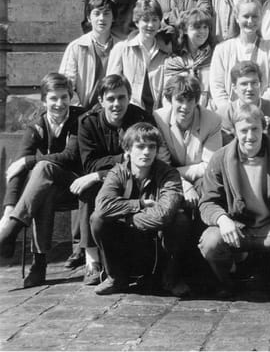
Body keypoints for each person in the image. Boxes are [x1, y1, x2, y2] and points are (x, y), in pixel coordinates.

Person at [199, 104, 270, 299]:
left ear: (264, 128)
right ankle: (229, 278)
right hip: (237, 227)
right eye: (244, 130)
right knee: (210, 243)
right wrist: (222, 219)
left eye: (255, 129)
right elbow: (207, 202)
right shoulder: (220, 158)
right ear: (234, 131)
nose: (250, 136)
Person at [0, 73, 84, 287]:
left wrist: (29, 161)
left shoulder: (80, 120)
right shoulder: (36, 126)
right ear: (44, 100)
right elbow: (15, 171)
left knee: (42, 166)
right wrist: (8, 209)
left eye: (64, 97)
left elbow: (70, 156)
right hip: (52, 189)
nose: (59, 103)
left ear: (71, 97)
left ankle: (12, 231)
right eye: (53, 98)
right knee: (43, 192)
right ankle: (39, 264)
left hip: (78, 184)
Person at [90, 123, 190, 297]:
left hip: (157, 242)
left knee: (179, 220)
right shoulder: (118, 173)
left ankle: (170, 278)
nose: (146, 152)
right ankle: (116, 278)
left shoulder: (169, 174)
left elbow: (163, 215)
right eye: (140, 146)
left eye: (152, 147)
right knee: (97, 219)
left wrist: (126, 218)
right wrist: (140, 204)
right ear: (128, 150)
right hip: (126, 242)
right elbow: (103, 206)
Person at [73, 75, 153, 286]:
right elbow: (90, 163)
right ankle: (92, 260)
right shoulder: (88, 122)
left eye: (121, 97)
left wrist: (102, 171)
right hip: (104, 181)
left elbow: (148, 157)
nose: (116, 104)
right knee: (87, 187)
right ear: (101, 100)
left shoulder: (141, 118)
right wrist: (120, 160)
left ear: (129, 97)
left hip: (136, 179)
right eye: (110, 99)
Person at [154, 75, 222, 209]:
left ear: (197, 101)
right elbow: (163, 165)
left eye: (190, 100)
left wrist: (176, 172)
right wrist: (184, 185)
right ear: (170, 99)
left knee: (207, 190)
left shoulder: (212, 120)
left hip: (201, 179)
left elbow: (210, 165)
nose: (185, 106)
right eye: (179, 100)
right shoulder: (159, 119)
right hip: (169, 179)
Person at [210, 0, 270, 109]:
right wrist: (231, 111)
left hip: (261, 114)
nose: (250, 21)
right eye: (246, 16)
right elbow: (217, 86)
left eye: (255, 16)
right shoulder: (222, 50)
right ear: (237, 18)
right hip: (229, 114)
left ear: (261, 18)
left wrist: (256, 110)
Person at [107, 0, 170, 113]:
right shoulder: (121, 49)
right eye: (146, 20)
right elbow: (111, 86)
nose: (150, 25)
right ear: (137, 22)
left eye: (155, 20)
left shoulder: (166, 54)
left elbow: (168, 91)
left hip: (158, 114)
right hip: (129, 113)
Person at [61, 0, 118, 110]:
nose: (102, 18)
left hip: (113, 112)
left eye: (106, 13)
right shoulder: (76, 47)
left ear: (113, 18)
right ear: (88, 18)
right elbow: (65, 85)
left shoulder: (122, 48)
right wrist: (79, 111)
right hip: (82, 112)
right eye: (97, 14)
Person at [216, 60, 270, 143]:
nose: (250, 89)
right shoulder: (223, 115)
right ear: (234, 87)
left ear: (261, 85)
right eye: (244, 84)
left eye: (254, 83)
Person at [164, 8, 215, 107]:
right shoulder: (174, 61)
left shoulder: (214, 57)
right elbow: (167, 95)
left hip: (208, 112)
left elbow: (217, 90)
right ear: (185, 30)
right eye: (197, 27)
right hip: (182, 110)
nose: (202, 31)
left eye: (205, 27)